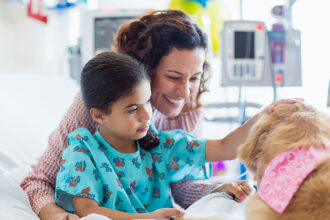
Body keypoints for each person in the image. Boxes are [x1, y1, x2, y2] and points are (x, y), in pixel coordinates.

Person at [20, 9, 292, 220]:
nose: (186, 92)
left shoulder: (175, 127)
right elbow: (39, 182)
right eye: (174, 77)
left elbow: (184, 183)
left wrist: (219, 189)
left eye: (195, 77)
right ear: (144, 71)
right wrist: (54, 213)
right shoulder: (96, 110)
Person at [55, 51, 250, 219]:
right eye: (132, 109)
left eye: (147, 102)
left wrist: (269, 114)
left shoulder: (158, 145)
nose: (147, 115)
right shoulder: (83, 150)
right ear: (99, 115)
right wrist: (148, 218)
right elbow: (88, 213)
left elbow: (225, 147)